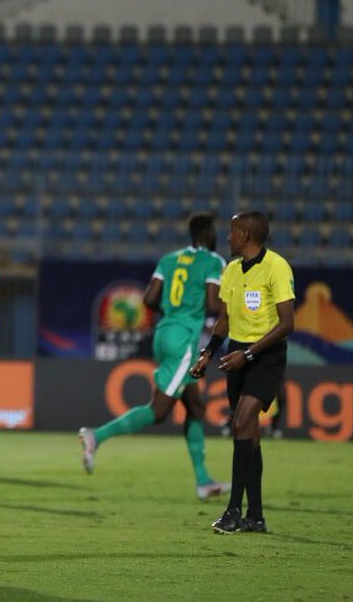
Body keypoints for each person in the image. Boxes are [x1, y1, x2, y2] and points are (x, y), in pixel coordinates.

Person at [78, 214, 230, 500]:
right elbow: (212, 303)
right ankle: (96, 436)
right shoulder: (213, 261)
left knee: (196, 407)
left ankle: (203, 481)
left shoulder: (169, 259)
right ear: (208, 233)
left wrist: (175, 306)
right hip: (184, 338)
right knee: (159, 411)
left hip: (163, 333)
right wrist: (231, 303)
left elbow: (148, 300)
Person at [190, 211, 294, 534]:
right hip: (236, 352)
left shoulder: (277, 266)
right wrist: (207, 354)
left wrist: (248, 353)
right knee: (249, 436)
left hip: (265, 355)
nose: (228, 238)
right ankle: (257, 516)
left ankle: (233, 511)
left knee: (242, 421)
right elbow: (223, 320)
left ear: (246, 235)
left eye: (233, 232)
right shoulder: (232, 270)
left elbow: (287, 324)